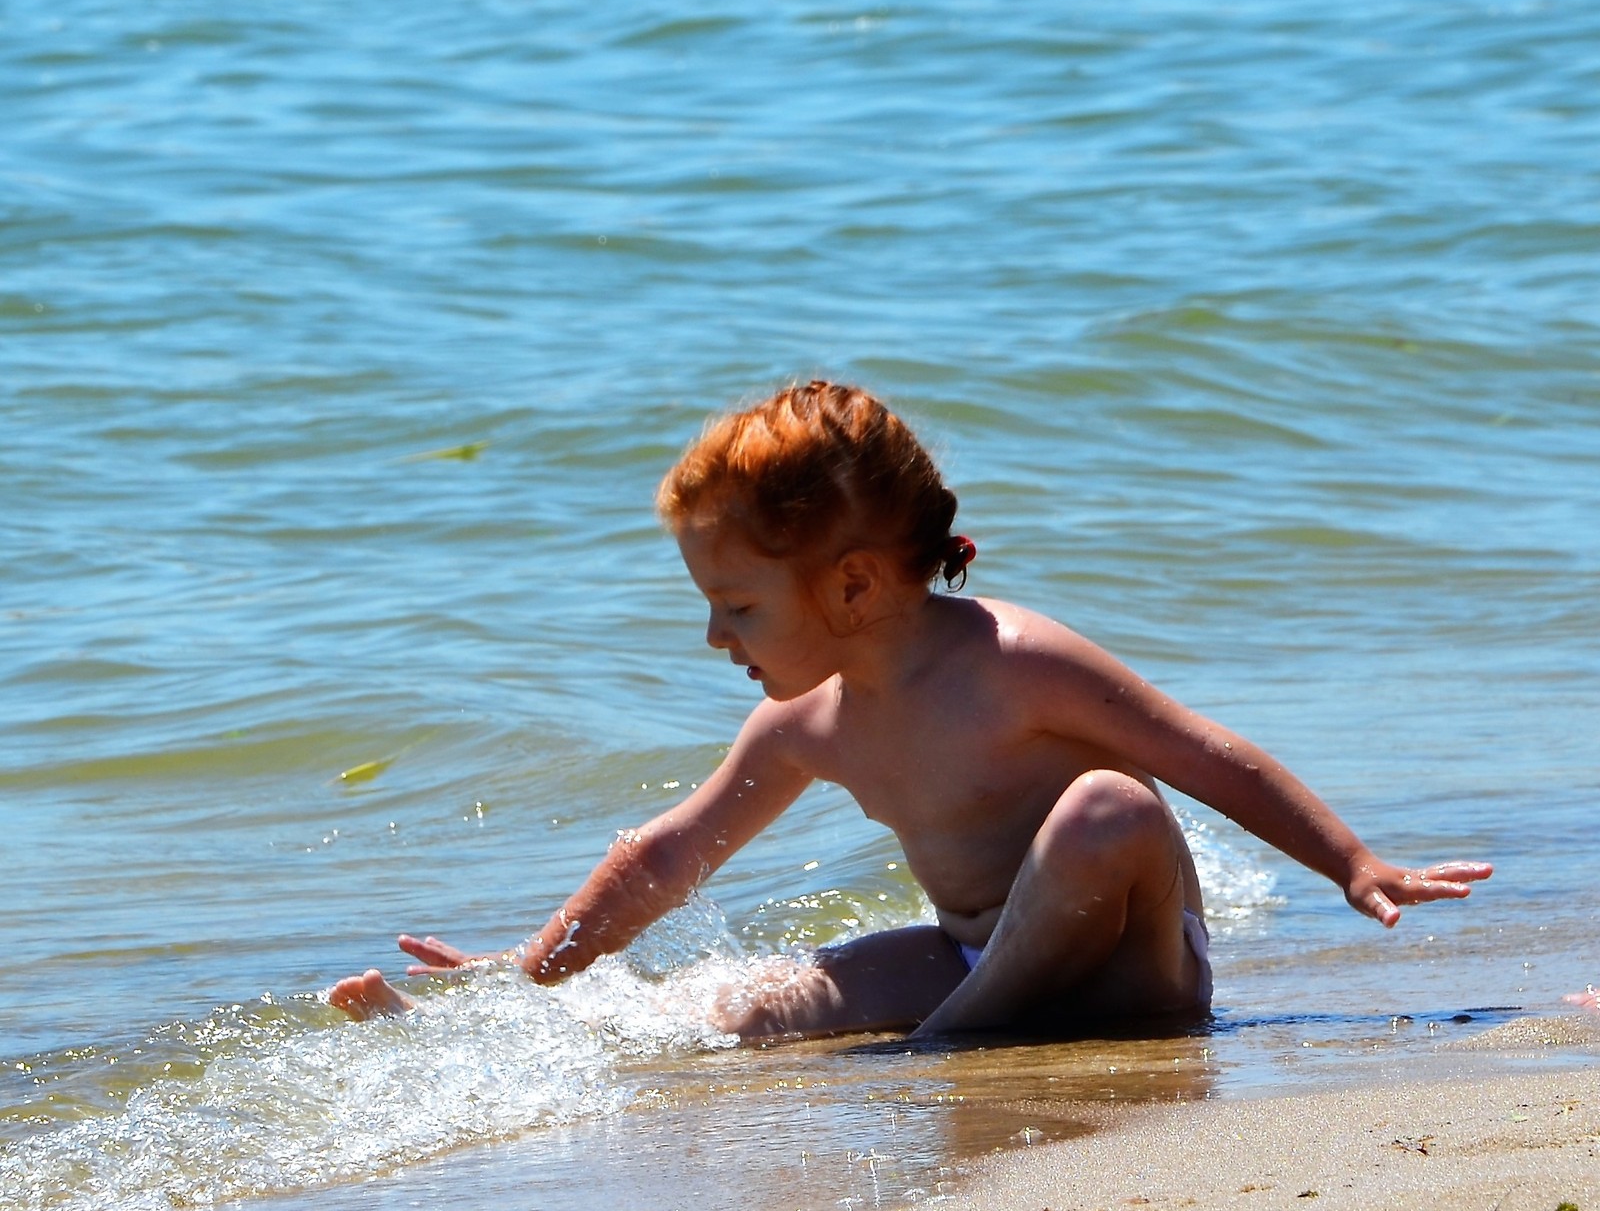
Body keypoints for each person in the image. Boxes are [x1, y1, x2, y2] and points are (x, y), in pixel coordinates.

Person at [330, 381, 1491, 1039]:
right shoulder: (808, 722)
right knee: (752, 1010)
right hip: (970, 958)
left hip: (1140, 976)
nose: (714, 636)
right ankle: (470, 1033)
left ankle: (954, 1041)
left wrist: (1351, 861)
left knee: (1105, 809)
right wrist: (529, 966)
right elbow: (667, 854)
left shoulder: (1015, 661)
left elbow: (1200, 754)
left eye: (735, 605)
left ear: (849, 584)